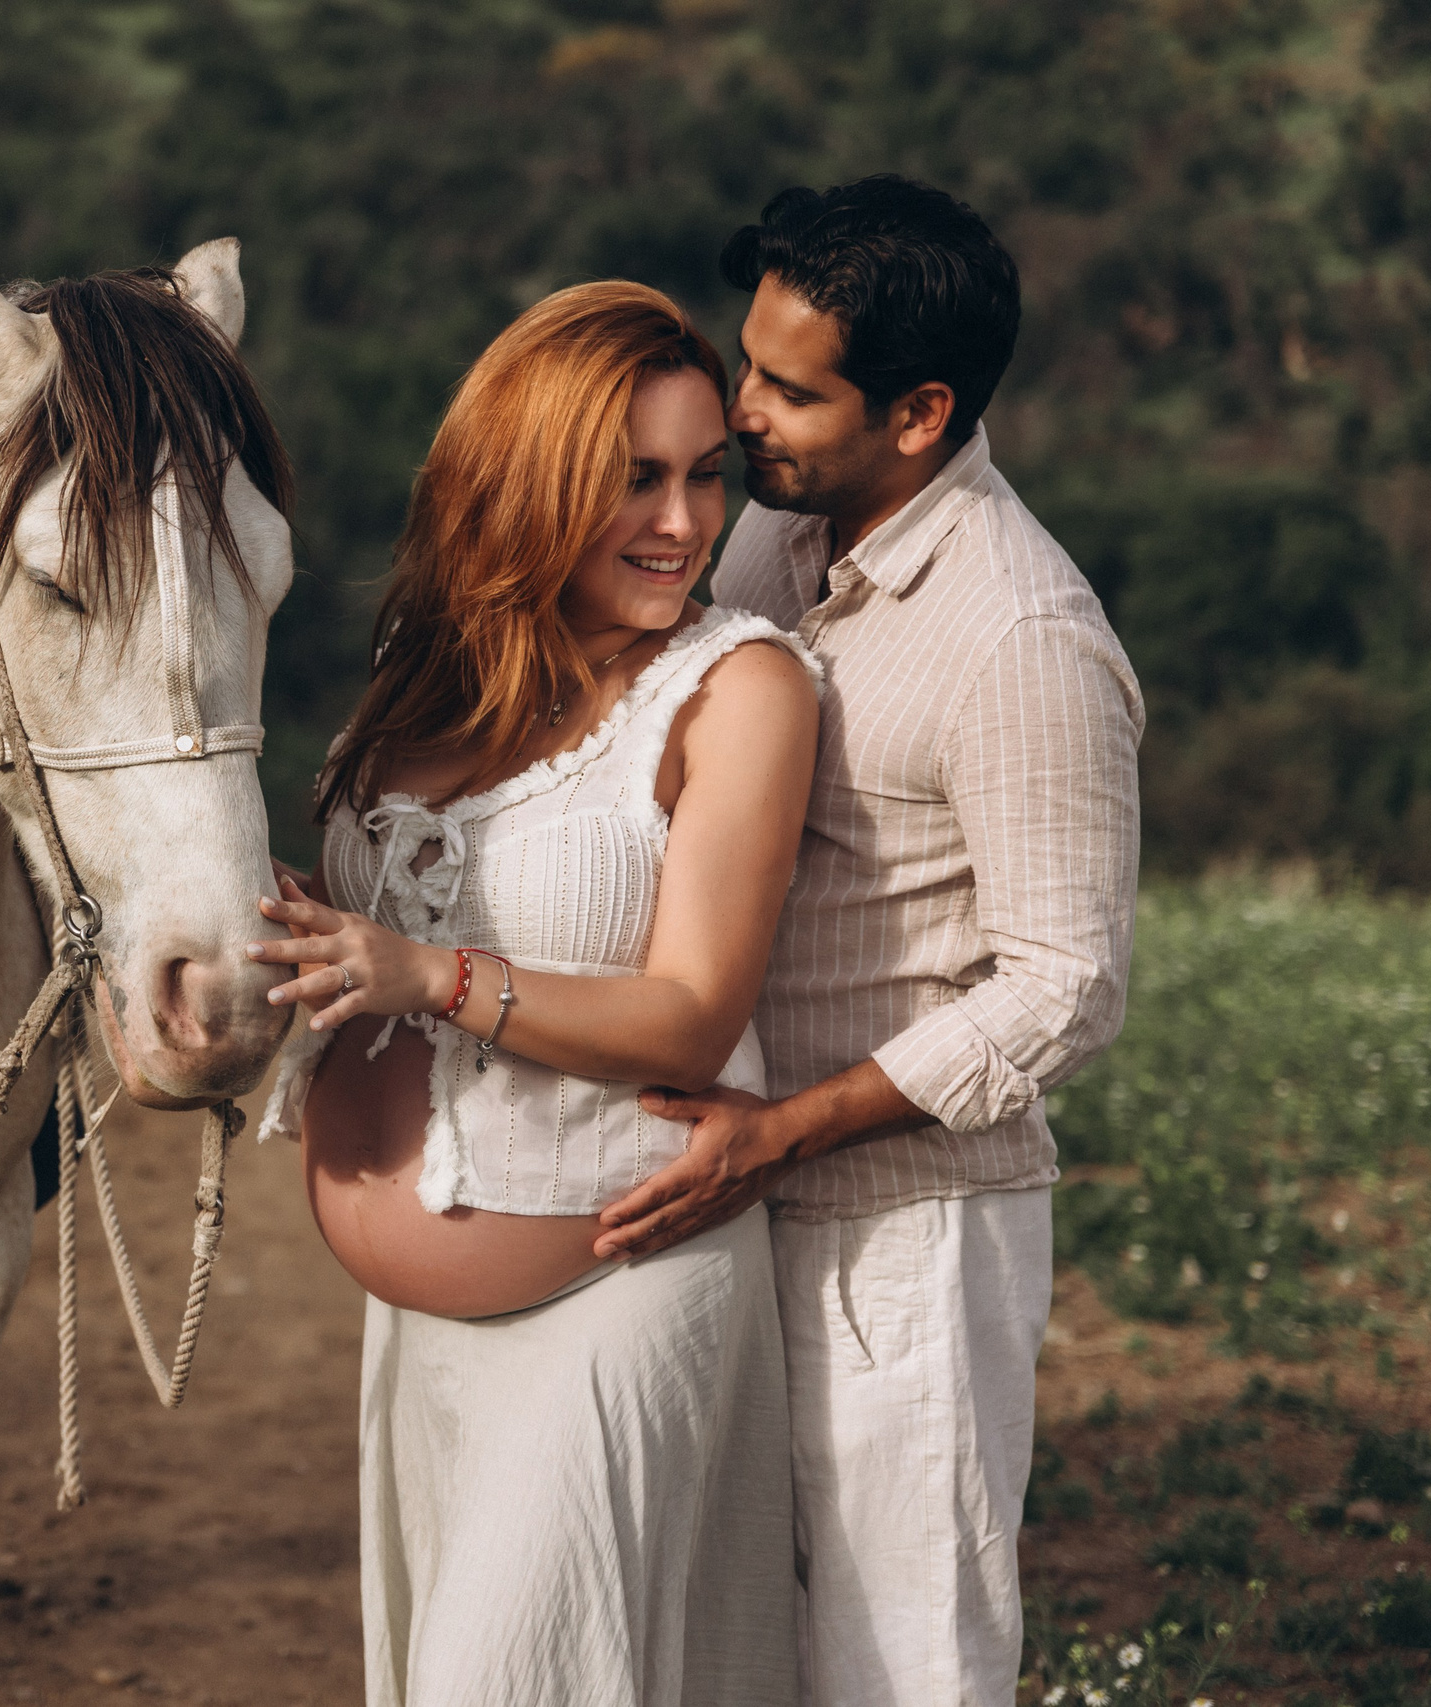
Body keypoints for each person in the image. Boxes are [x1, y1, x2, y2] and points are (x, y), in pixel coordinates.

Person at [590, 177, 1145, 1705]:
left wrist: (789, 1131)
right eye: (747, 359)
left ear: (919, 413)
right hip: (735, 1194)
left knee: (907, 1663)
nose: (741, 410)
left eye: (788, 386)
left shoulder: (1022, 639)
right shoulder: (773, 544)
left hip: (905, 1234)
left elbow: (1067, 986)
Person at [249, 281, 818, 1706]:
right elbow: (372, 940)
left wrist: (425, 974)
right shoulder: (420, 674)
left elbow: (691, 1008)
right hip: (418, 1343)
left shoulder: (736, 689)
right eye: (634, 481)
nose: (687, 526)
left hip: (613, 1296)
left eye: (705, 477)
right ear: (527, 483)